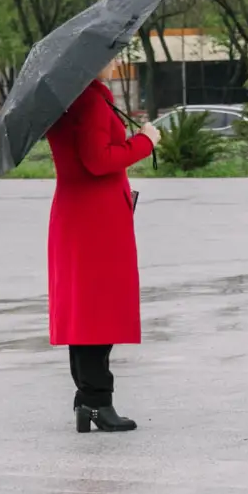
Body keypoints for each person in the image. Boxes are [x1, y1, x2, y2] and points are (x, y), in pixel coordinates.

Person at [47, 70, 162, 433]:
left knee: (84, 309)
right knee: (98, 308)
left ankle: (88, 398)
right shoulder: (92, 102)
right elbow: (98, 160)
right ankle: (97, 401)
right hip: (97, 218)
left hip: (75, 212)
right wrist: (145, 141)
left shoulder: (65, 100)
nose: (113, 61)